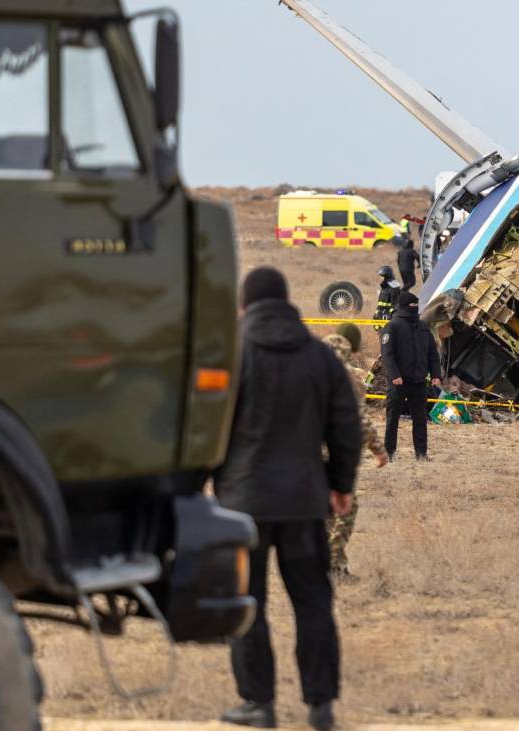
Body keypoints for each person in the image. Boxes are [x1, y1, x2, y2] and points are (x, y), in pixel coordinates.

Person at [215, 267, 361, 731]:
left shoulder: (230, 355)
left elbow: (205, 428)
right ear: (288, 304)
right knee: (313, 602)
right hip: (304, 501)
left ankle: (258, 704)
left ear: (245, 306)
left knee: (247, 604)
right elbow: (346, 426)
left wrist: (197, 487)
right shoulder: (321, 358)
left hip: (243, 504)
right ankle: (320, 706)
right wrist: (340, 484)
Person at [322, 324, 388, 580]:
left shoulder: (308, 366)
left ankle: (329, 566)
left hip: (303, 453)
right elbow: (359, 418)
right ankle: (333, 563)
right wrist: (378, 450)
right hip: (335, 453)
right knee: (347, 509)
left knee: (325, 510)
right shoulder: (348, 376)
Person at [380, 291, 441, 460]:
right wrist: (394, 376)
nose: (414, 307)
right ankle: (389, 452)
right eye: (411, 305)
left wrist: (436, 374)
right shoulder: (393, 326)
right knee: (392, 420)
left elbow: (432, 354)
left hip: (419, 382)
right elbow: (387, 354)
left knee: (420, 420)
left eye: (416, 304)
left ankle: (421, 453)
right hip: (398, 382)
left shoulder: (423, 327)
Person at [373, 265, 401, 331]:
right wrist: (377, 312)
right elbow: (380, 303)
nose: (380, 278)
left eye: (381, 277)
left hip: (388, 317)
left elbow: (395, 304)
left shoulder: (394, 288)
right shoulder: (384, 288)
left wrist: (390, 315)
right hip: (381, 315)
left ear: (386, 277)